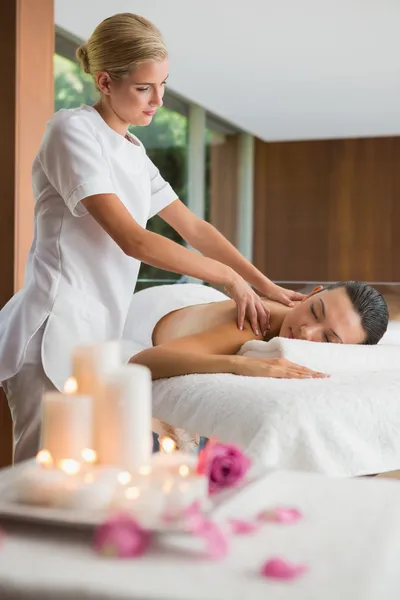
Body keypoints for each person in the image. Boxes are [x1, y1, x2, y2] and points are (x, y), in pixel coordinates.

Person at [0, 13, 301, 464]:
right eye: (144, 88)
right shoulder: (73, 131)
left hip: (96, 335)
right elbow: (132, 239)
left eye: (163, 85)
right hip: (54, 326)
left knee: (84, 478)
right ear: (104, 81)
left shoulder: (134, 153)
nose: (158, 99)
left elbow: (195, 229)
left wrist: (264, 285)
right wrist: (226, 280)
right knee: (42, 480)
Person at [129, 281, 389, 380]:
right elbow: (142, 361)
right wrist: (239, 364)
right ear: (311, 293)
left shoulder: (294, 316)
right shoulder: (252, 325)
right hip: (149, 311)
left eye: (329, 338)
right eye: (314, 311)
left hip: (199, 301)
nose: (307, 333)